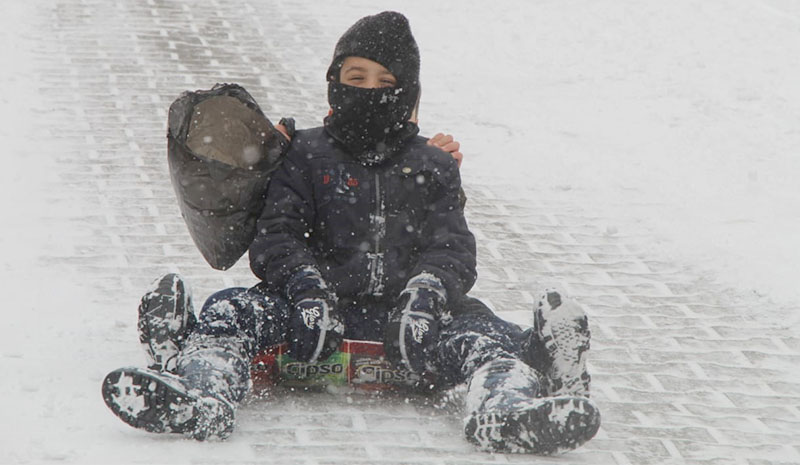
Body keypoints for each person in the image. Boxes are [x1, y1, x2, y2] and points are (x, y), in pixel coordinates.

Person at [102, 11, 600, 455]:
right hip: (309, 311)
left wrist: (425, 297)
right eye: (354, 76)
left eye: (385, 80)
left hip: (410, 321)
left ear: (408, 94)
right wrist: (306, 289)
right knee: (231, 313)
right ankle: (202, 393)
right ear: (333, 83)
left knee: (487, 338)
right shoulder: (305, 154)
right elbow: (277, 234)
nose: (368, 89)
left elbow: (452, 248)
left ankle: (505, 412)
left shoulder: (433, 164)